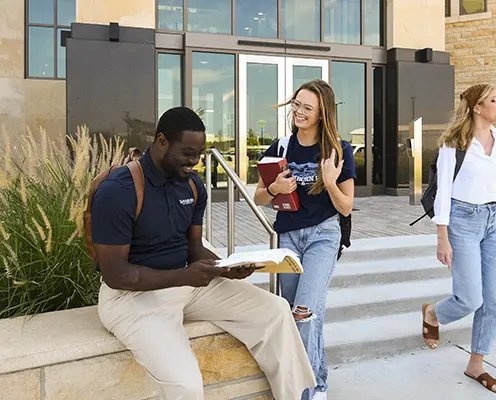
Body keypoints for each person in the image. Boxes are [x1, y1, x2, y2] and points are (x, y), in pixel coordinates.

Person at [92, 107, 316, 400]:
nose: (195, 162)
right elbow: (116, 274)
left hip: (186, 286)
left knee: (275, 311)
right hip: (131, 299)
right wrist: (185, 275)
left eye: (199, 153)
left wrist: (224, 268)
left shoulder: (194, 186)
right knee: (186, 386)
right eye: (186, 153)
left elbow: (194, 247)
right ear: (161, 141)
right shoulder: (119, 190)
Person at [254, 79, 356, 400]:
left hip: (323, 235)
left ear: (321, 113)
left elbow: (346, 206)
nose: (299, 111)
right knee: (299, 314)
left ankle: (307, 390)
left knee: (304, 312)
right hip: (288, 236)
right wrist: (275, 190)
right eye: (296, 104)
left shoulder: (339, 149)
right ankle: (317, 381)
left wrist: (329, 181)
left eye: (307, 107)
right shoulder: (281, 147)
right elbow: (258, 196)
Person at [420, 84, 496, 395]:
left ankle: (477, 363)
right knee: (470, 297)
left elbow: (492, 180)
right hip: (463, 220)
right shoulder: (454, 144)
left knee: (492, 300)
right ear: (477, 106)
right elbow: (444, 193)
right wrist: (442, 237)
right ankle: (433, 313)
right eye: (494, 100)